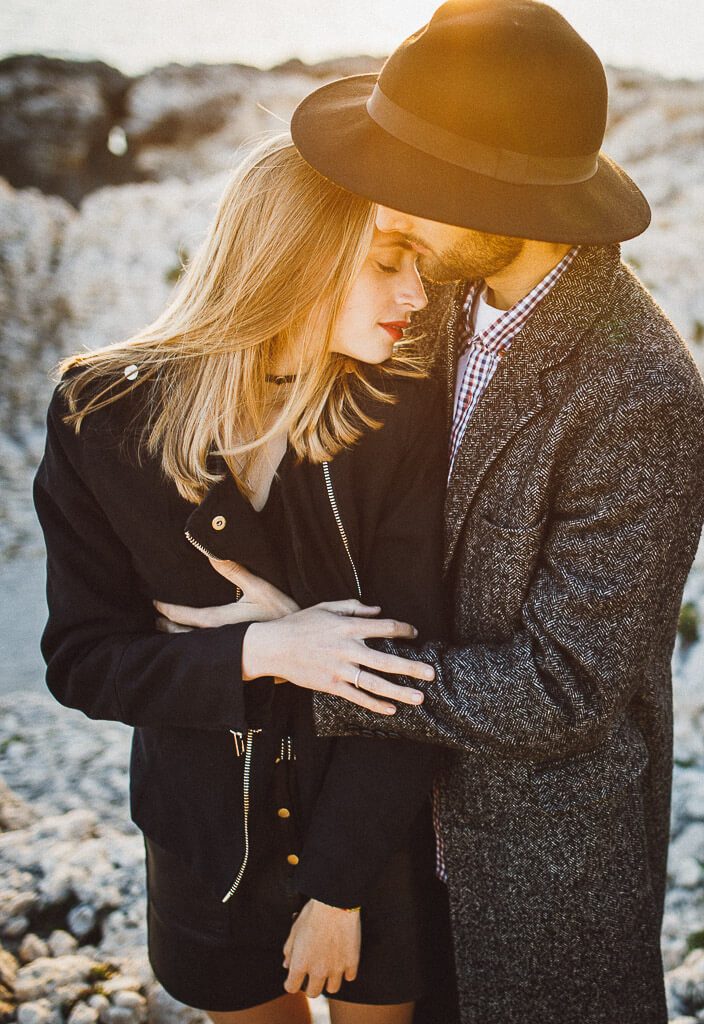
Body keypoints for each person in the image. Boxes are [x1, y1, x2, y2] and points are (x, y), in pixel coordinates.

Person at [160, 3, 704, 1022]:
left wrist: (311, 673)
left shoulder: (642, 398)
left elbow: (563, 690)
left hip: (535, 881)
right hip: (381, 842)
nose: (388, 203)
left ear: (504, 194)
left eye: (416, 182)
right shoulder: (431, 304)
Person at [33, 134, 456, 1024]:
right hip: (202, 839)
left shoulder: (398, 409)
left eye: (416, 265)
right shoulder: (100, 417)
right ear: (297, 257)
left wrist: (340, 891)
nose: (416, 295)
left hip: (368, 832)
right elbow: (82, 662)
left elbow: (411, 670)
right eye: (388, 262)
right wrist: (267, 649)